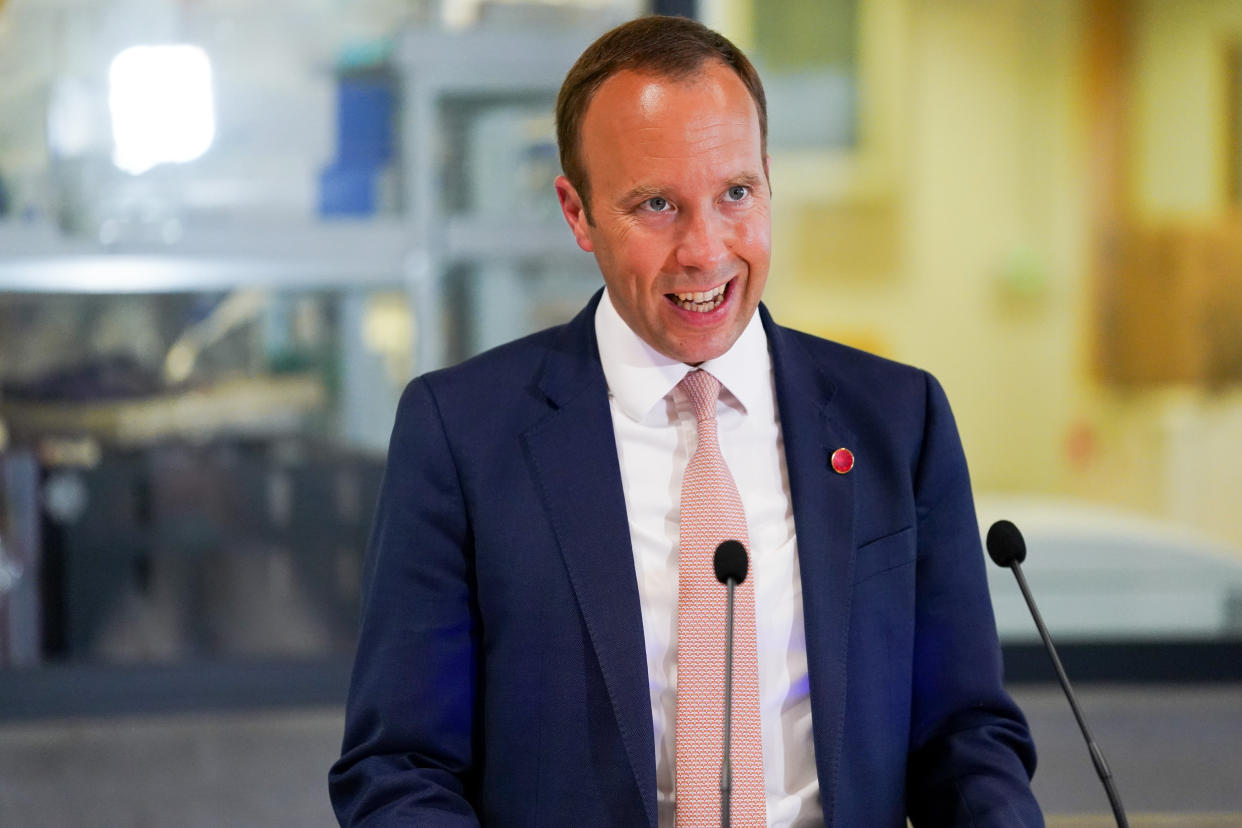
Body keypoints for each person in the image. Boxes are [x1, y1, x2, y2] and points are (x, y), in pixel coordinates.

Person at [330, 15, 1043, 828]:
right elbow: (400, 770)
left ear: (769, 179)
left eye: (735, 194)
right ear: (577, 212)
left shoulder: (896, 421)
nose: (705, 251)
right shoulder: (461, 435)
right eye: (657, 205)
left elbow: (964, 737)